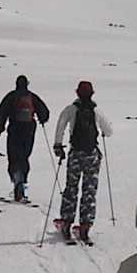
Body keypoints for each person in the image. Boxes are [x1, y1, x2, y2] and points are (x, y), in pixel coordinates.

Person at [53, 81, 112, 241]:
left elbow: (60, 125)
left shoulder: (71, 109)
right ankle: (85, 226)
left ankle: (66, 222)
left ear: (77, 93)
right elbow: (109, 131)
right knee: (89, 190)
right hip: (92, 155)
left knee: (71, 188)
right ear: (92, 93)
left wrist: (58, 145)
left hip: (76, 154)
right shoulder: (96, 110)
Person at [0, 75, 49, 201]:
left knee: (14, 156)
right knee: (24, 156)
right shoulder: (32, 97)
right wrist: (41, 119)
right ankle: (22, 184)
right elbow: (45, 112)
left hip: (14, 128)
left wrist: (1, 126)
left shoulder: (11, 96)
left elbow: (2, 111)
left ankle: (17, 181)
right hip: (29, 129)